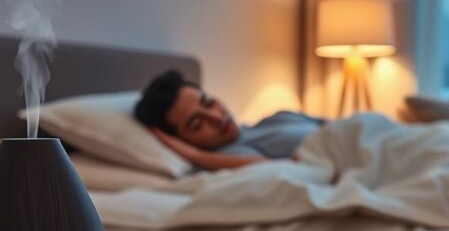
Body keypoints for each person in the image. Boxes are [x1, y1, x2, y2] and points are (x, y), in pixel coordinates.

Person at [134, 70, 325, 171]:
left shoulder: (278, 117)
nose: (216, 117)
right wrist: (197, 157)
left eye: (208, 103)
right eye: (197, 124)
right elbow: (276, 172)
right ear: (181, 141)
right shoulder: (232, 155)